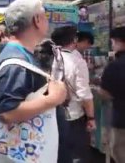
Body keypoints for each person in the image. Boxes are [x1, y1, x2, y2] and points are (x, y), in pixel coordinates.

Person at [0, 0, 67, 162]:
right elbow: (7, 112)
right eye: (45, 15)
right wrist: (53, 99)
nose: (47, 21)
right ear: (37, 19)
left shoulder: (21, 54)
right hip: (29, 152)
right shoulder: (16, 61)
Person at [51, 26, 96, 163]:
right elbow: (85, 95)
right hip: (73, 116)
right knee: (76, 155)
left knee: (59, 153)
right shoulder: (77, 61)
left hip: (54, 112)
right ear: (74, 39)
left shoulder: (54, 57)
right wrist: (91, 118)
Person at [100, 27, 125, 163]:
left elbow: (105, 94)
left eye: (113, 42)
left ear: (119, 42)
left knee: (120, 151)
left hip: (122, 121)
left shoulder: (114, 66)